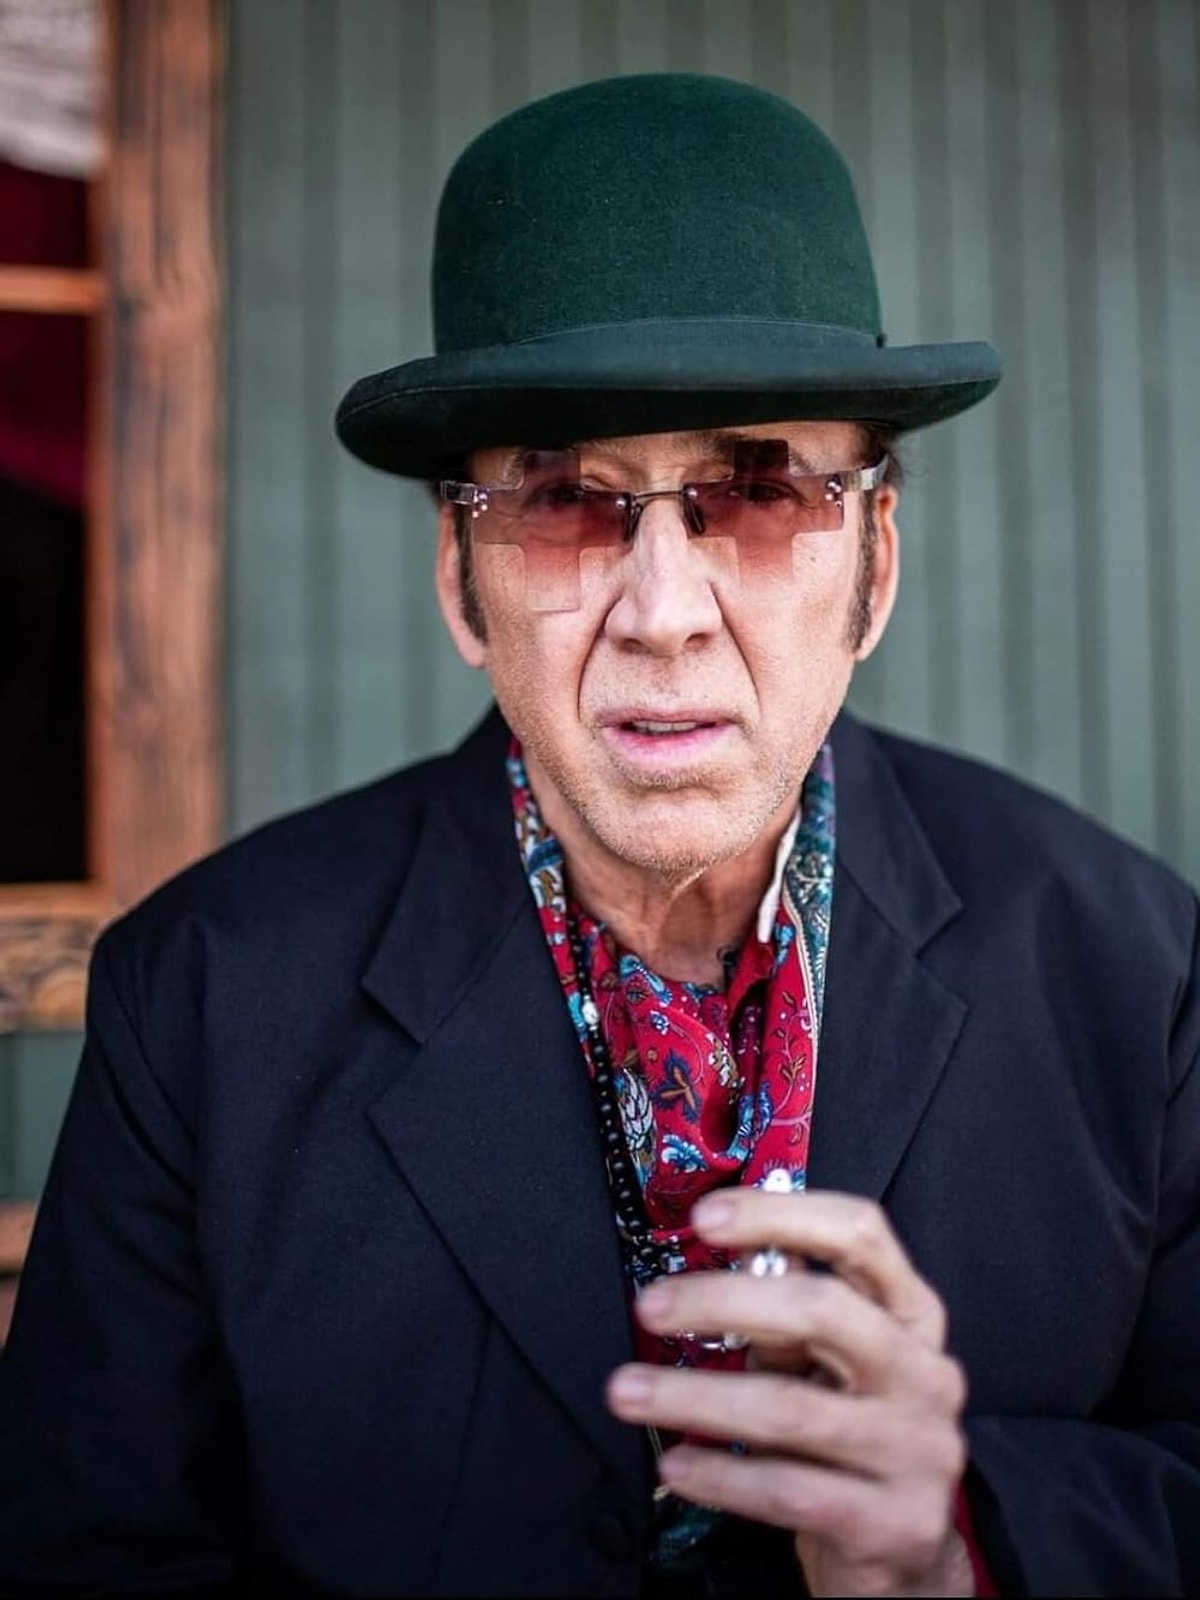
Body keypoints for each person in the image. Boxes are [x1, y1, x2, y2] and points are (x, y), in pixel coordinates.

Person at [1, 72, 1198, 1599]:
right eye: (567, 500)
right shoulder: (204, 998)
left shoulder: (1139, 975)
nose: (663, 612)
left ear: (876, 567)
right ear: (460, 580)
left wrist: (973, 1539)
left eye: (758, 491)